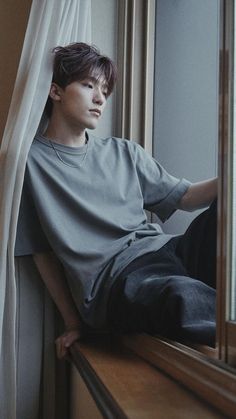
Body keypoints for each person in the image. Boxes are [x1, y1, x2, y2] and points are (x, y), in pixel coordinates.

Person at [15, 42, 217, 359]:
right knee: (182, 295)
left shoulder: (124, 152)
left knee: (227, 215)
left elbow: (188, 198)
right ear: (56, 91)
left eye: (105, 90)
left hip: (165, 251)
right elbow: (41, 252)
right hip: (116, 282)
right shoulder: (29, 163)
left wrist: (231, 176)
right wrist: (73, 322)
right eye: (88, 85)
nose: (100, 98)